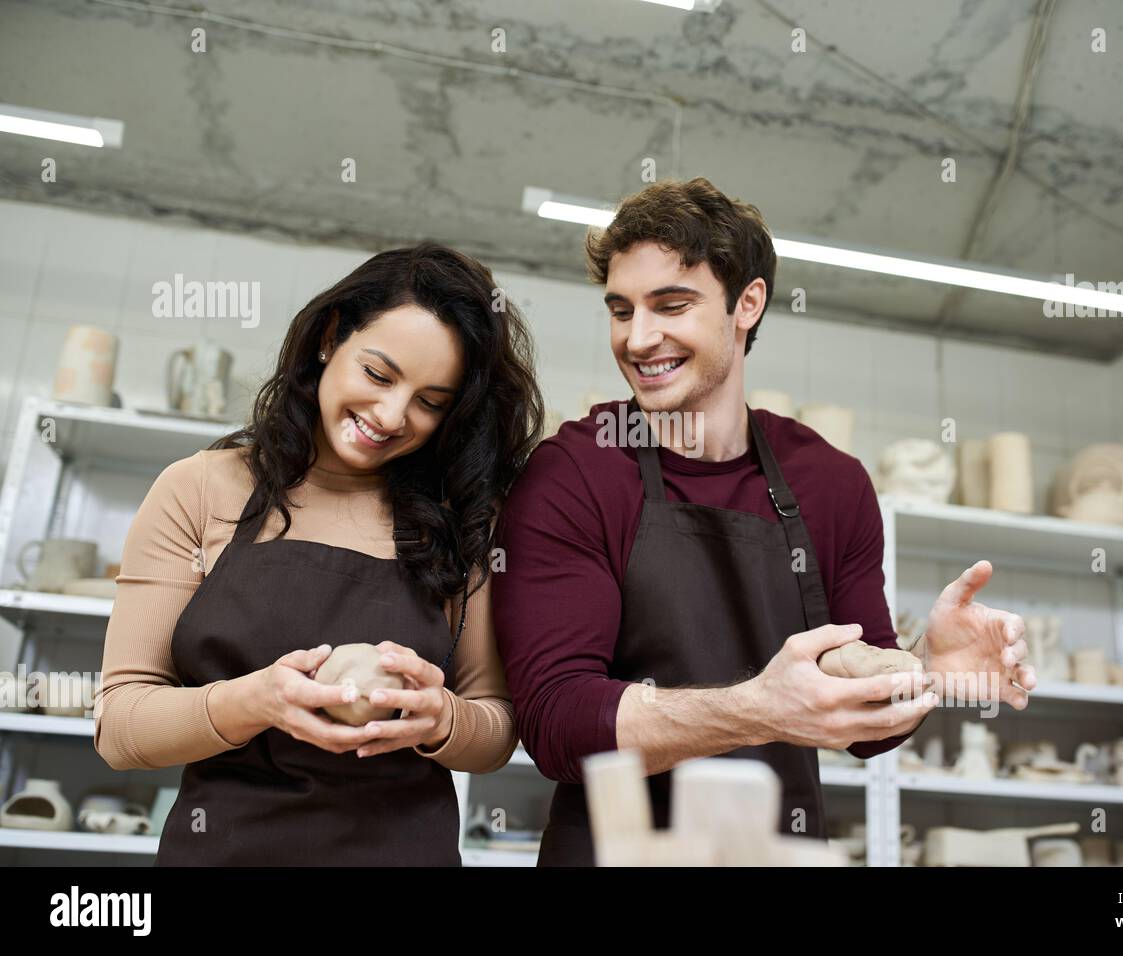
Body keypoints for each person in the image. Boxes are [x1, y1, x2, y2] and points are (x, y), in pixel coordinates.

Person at [493, 178, 1036, 866]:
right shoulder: (575, 471)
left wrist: (925, 669)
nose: (638, 338)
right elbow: (558, 722)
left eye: (671, 305)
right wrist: (758, 709)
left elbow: (863, 728)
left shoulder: (831, 483)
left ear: (747, 304)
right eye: (621, 310)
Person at [95, 242, 544, 865]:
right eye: (379, 375)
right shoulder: (199, 489)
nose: (391, 415)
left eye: (430, 402)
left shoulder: (465, 518)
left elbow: (495, 726)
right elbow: (120, 726)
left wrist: (440, 720)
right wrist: (255, 701)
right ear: (331, 337)